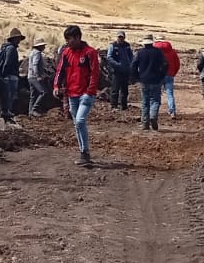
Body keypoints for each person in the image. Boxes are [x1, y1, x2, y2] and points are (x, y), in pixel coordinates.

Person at [54, 24, 101, 167]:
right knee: (77, 124)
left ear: (78, 37)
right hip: (71, 93)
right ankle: (83, 153)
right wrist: (56, 86)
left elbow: (95, 73)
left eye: (69, 39)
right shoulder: (66, 53)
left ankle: (85, 152)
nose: (67, 42)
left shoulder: (90, 53)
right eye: (66, 39)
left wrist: (89, 91)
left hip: (85, 94)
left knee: (80, 121)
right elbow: (60, 71)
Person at [133, 34, 169, 132]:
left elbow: (133, 65)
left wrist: (136, 77)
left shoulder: (140, 53)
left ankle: (145, 124)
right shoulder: (158, 52)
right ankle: (153, 116)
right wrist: (162, 75)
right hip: (156, 79)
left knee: (145, 102)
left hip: (144, 80)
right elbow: (165, 64)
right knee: (155, 100)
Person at [0, 28, 24, 125]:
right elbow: (7, 63)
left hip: (7, 76)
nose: (19, 40)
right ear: (14, 39)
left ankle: (4, 117)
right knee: (9, 97)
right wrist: (5, 74)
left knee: (6, 97)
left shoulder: (5, 48)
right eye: (18, 38)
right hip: (10, 76)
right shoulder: (11, 49)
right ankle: (6, 118)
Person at [104, 30, 135, 110]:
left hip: (125, 70)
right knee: (115, 88)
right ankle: (114, 105)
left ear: (124, 37)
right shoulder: (113, 45)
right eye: (119, 37)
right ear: (117, 37)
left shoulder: (127, 45)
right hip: (116, 71)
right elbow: (109, 57)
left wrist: (130, 64)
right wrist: (116, 64)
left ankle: (124, 105)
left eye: (122, 37)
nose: (120, 39)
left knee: (125, 89)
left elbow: (131, 56)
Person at [153, 34, 181, 118]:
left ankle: (155, 112)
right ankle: (172, 111)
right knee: (170, 93)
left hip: (158, 75)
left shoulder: (155, 50)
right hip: (169, 74)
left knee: (156, 94)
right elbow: (177, 64)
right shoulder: (172, 51)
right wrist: (173, 73)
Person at [27, 38, 54, 116]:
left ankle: (30, 112)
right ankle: (34, 109)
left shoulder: (32, 53)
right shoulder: (37, 53)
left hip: (30, 77)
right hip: (34, 77)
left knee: (33, 95)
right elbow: (35, 65)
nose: (44, 47)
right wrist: (38, 76)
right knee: (43, 92)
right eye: (43, 46)